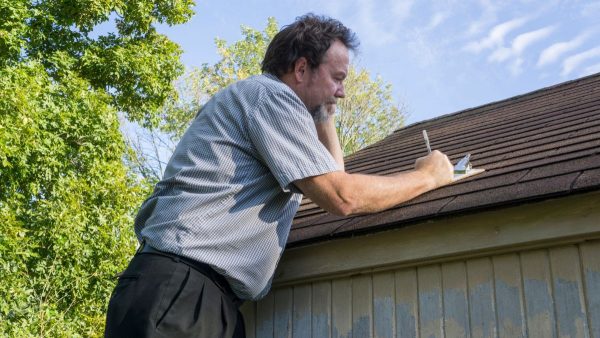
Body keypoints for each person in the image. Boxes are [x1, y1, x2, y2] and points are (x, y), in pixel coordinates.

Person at [104, 13, 453, 338]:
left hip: (198, 297)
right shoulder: (270, 96)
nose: (342, 92)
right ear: (301, 69)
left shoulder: (265, 104)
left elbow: (333, 176)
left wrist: (324, 116)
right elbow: (342, 196)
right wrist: (428, 177)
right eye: (337, 78)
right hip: (181, 293)